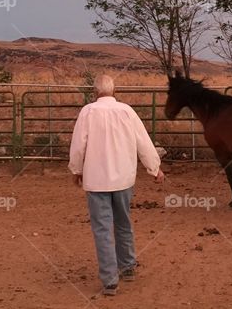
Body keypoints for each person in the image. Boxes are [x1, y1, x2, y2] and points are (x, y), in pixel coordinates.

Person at [68, 74, 164, 296]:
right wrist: (154, 168)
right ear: (115, 91)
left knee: (102, 229)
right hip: (123, 179)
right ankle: (128, 266)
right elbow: (143, 141)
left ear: (95, 92)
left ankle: (110, 280)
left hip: (96, 180)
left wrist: (77, 170)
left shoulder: (88, 112)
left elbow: (78, 145)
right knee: (123, 222)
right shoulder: (127, 111)